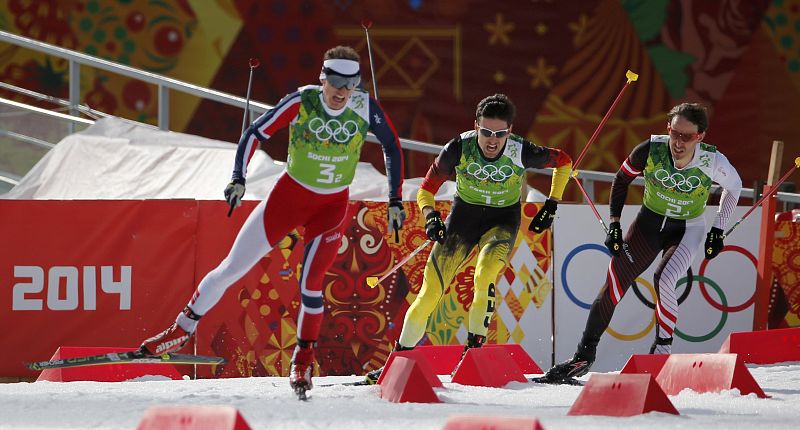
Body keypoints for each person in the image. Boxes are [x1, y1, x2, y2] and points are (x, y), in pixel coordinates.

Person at [138, 46, 407, 397]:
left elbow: (392, 146)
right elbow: (254, 133)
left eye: (351, 83)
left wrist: (395, 199)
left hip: (331, 207)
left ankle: (302, 361)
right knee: (232, 267)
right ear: (323, 78)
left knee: (311, 285)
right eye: (336, 82)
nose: (342, 91)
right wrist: (238, 178)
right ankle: (179, 330)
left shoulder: (363, 106)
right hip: (288, 199)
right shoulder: (302, 101)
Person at [364, 93, 572, 384]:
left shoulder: (521, 150)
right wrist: (431, 216)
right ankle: (395, 363)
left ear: (510, 130)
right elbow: (426, 189)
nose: (492, 141)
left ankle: (471, 356)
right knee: (429, 293)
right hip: (463, 220)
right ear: (476, 126)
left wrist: (551, 204)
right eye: (486, 132)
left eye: (500, 134)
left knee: (485, 276)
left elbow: (564, 161)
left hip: (502, 222)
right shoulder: (458, 147)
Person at [539, 102, 742, 383]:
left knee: (665, 278)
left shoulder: (713, 161)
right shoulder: (650, 150)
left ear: (700, 136)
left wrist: (718, 228)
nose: (678, 143)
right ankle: (582, 357)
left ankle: (661, 352)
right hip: (648, 225)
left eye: (686, 137)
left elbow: (734, 187)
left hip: (687, 229)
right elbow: (621, 180)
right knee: (613, 285)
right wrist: (614, 224)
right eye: (674, 133)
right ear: (668, 128)